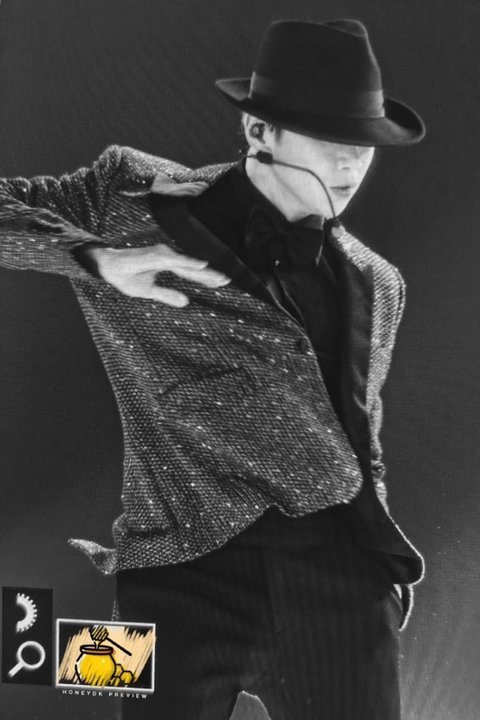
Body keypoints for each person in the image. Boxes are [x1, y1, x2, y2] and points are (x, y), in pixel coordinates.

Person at [0, 18, 426, 720]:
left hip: (338, 579)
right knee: (55, 667)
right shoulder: (127, 198)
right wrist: (93, 258)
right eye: (332, 139)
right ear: (259, 130)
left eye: (364, 144)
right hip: (175, 572)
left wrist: (380, 573)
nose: (352, 164)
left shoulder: (377, 282)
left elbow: (361, 433)